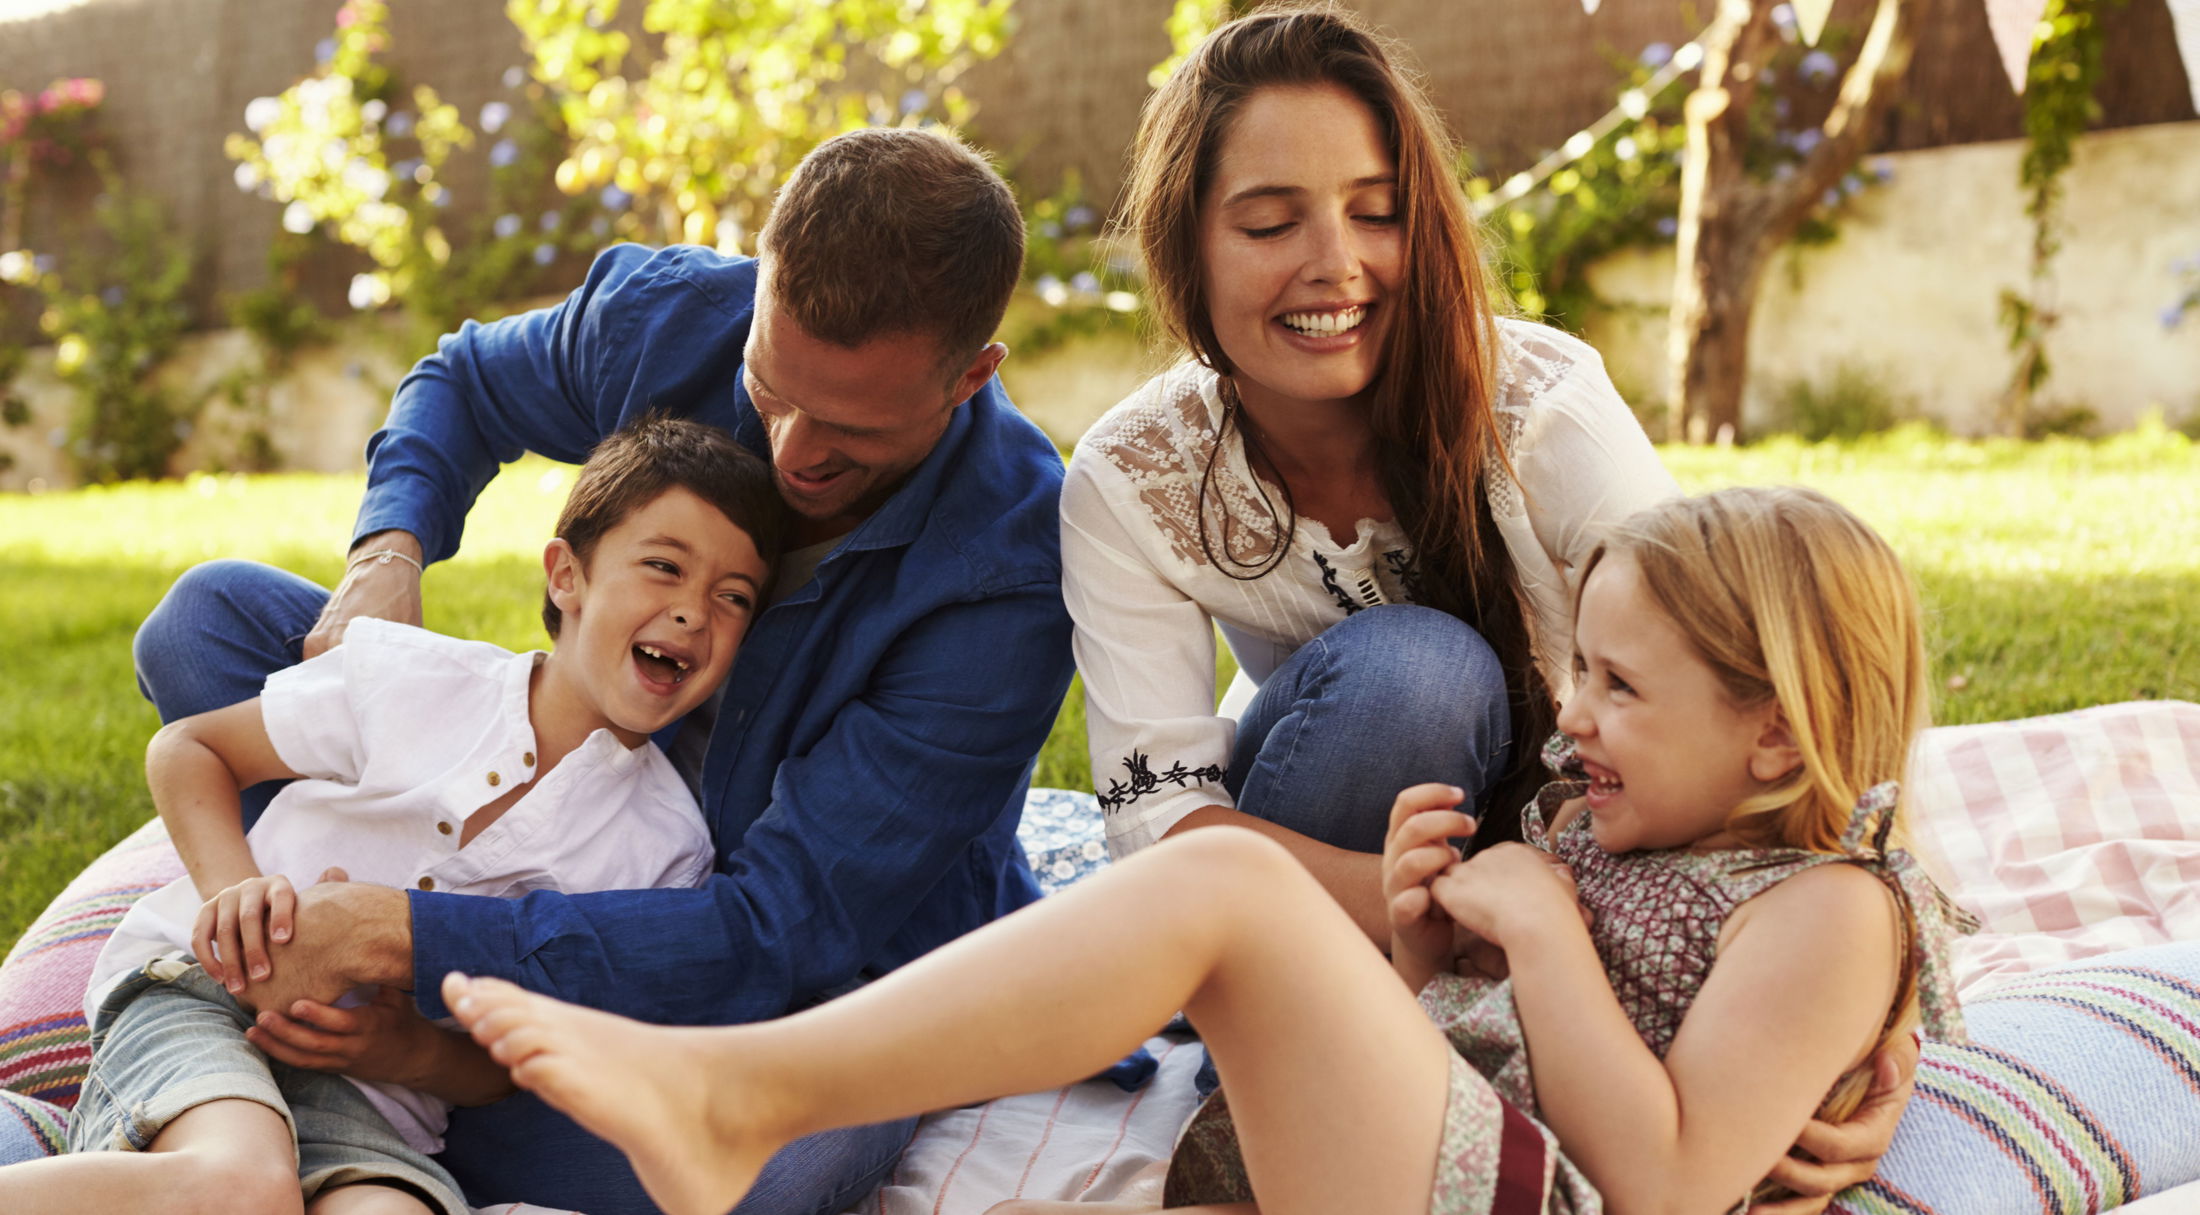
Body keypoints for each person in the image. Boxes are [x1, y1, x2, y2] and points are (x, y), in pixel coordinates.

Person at [433, 485, 1971, 1215]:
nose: (1568, 714)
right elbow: (1509, 1053)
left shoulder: (1831, 909)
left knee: (1227, 881)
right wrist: (1431, 954)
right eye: (1581, 669)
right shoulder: (1627, 827)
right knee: (1225, 901)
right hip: (1413, 1173)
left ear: (1777, 734)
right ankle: (739, 1092)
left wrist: (1548, 932)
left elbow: (1670, 1180)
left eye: (1619, 686)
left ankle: (738, 1091)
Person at [126, 125, 1072, 1214]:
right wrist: (386, 557)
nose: (789, 451)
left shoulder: (1007, 570)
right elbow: (463, 381)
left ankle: (399, 1087)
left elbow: (785, 926)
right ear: (760, 286)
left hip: (752, 938)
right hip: (556, 800)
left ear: (970, 377)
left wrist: (408, 935)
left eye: (849, 432)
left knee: (792, 1161)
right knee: (208, 622)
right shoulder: (671, 316)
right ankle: (339, 1041)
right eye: (770, 390)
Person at [1065, 7, 1907, 1202]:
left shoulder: (1541, 407)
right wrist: (1455, 904)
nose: (1334, 264)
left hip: (1595, 833)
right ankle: (1288, 1035)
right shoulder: (1132, 478)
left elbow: (1748, 678)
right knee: (1417, 670)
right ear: (1184, 247)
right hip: (1359, 849)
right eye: (1267, 222)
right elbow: (1159, 832)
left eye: (1375, 211)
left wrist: (1861, 1018)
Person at [1, 417, 779, 1215]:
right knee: (240, 1186)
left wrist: (410, 1050)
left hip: (377, 1105)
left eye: (733, 597)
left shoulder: (670, 851)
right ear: (565, 575)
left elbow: (514, 1062)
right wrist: (231, 891)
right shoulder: (414, 678)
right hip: (209, 1004)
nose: (693, 613)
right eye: (663, 567)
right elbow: (190, 748)